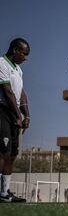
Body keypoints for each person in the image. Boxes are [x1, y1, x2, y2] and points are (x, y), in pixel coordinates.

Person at [0, 38, 30, 203]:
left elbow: (21, 93)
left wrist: (27, 114)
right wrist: (18, 115)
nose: (25, 58)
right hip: (3, 111)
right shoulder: (1, 64)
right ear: (15, 50)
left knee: (12, 154)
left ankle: (5, 192)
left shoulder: (18, 70)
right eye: (24, 53)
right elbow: (7, 91)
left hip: (14, 113)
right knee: (3, 152)